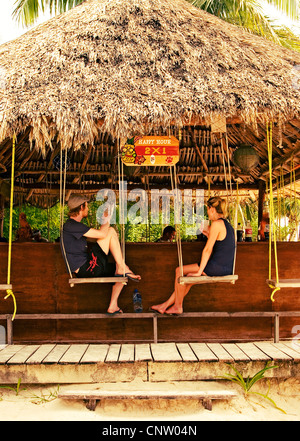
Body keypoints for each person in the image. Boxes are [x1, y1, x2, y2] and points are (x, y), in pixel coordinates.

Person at [151, 196, 235, 315]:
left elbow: (207, 250)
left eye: (207, 210)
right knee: (187, 280)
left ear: (211, 209)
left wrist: (199, 271)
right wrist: (207, 233)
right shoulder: (227, 225)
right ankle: (165, 306)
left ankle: (177, 306)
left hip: (217, 267)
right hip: (225, 266)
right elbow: (221, 243)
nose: (208, 214)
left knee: (179, 271)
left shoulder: (216, 224)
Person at [61, 194, 141, 314]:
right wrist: (106, 219)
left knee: (118, 271)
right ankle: (123, 267)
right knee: (110, 231)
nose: (88, 208)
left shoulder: (74, 226)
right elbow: (103, 234)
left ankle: (113, 305)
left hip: (88, 268)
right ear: (81, 207)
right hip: (86, 269)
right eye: (86, 206)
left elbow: (96, 237)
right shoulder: (72, 225)